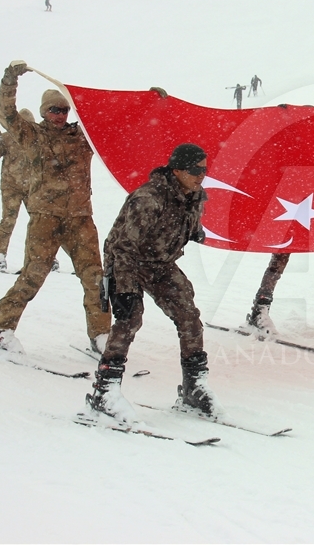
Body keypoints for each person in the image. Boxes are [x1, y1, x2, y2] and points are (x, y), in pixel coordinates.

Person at [0, 60, 111, 355]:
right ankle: (1, 328)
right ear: (43, 112)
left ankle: (101, 334)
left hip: (80, 218)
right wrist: (10, 79)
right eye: (54, 110)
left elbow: (115, 125)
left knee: (96, 277)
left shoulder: (82, 137)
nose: (60, 115)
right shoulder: (32, 136)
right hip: (45, 218)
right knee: (34, 274)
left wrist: (152, 103)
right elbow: (7, 114)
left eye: (64, 110)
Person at [87, 143, 217, 423]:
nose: (201, 175)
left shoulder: (194, 196)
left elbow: (190, 225)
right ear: (178, 170)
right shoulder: (149, 198)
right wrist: (122, 288)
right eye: (195, 170)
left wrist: (194, 233)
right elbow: (122, 246)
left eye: (205, 170)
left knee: (189, 317)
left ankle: (193, 387)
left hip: (161, 264)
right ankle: (104, 391)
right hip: (128, 261)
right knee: (129, 318)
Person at [0, 109, 61, 274]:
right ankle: (2, 258)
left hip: (29, 187)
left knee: (29, 222)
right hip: (16, 189)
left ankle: (44, 258)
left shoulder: (36, 139)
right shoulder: (10, 138)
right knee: (24, 222)